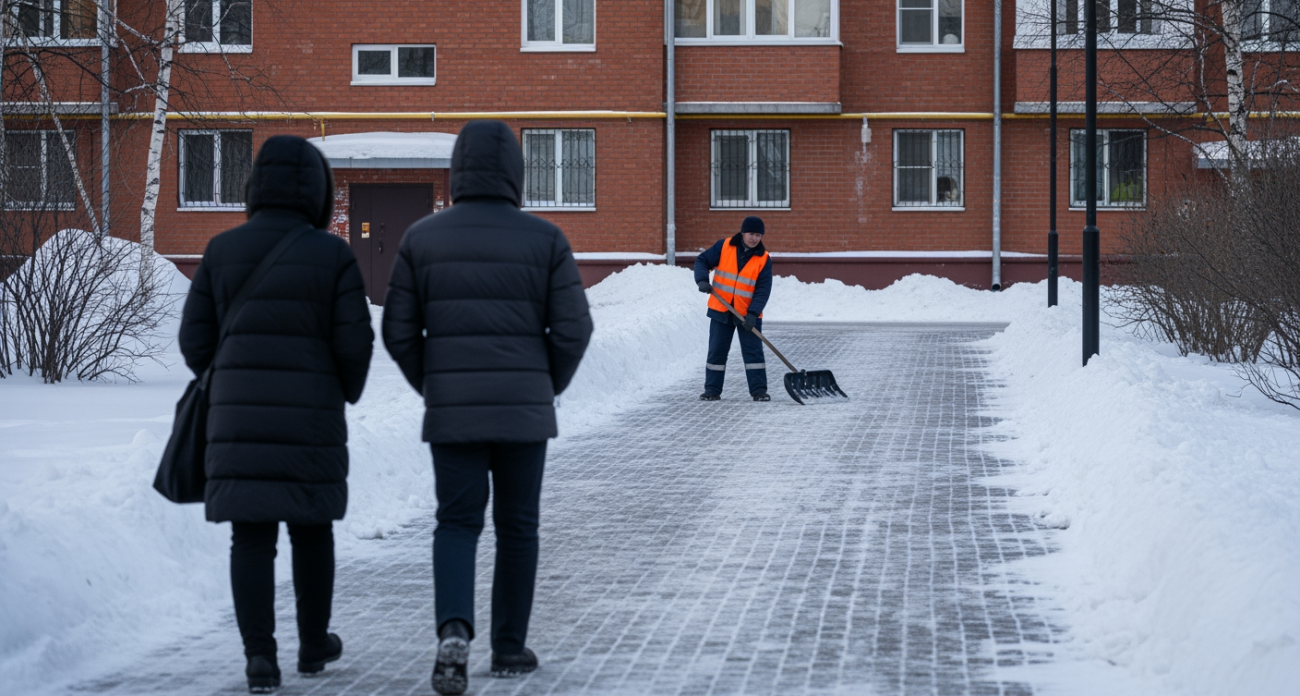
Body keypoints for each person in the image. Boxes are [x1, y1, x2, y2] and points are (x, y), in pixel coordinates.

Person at [381, 120, 593, 696]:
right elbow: (574, 329)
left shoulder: (422, 238)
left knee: (456, 523)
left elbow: (397, 330)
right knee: (518, 527)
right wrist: (543, 384)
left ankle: (454, 630)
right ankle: (508, 647)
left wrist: (435, 385)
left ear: (457, 171)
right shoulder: (545, 239)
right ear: (515, 173)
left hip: (453, 413)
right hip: (524, 413)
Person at [178, 135, 374, 694]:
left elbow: (193, 340)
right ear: (318, 191)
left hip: (238, 422)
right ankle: (313, 646)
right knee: (312, 530)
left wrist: (227, 379)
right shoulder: (332, 255)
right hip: (310, 420)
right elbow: (355, 344)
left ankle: (260, 659)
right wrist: (343, 391)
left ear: (254, 186)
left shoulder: (221, 250)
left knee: (251, 537)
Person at [694, 215, 772, 401]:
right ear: (743, 233)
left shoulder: (763, 258)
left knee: (753, 353)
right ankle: (712, 390)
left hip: (747, 314)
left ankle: (759, 391)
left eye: (758, 235)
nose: (754, 238)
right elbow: (702, 261)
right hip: (721, 310)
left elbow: (763, 289)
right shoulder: (725, 246)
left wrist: (752, 313)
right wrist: (702, 280)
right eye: (751, 234)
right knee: (717, 351)